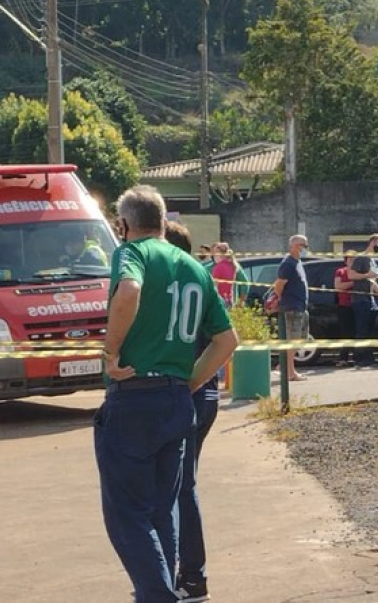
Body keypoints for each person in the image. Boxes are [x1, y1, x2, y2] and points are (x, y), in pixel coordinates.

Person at [96, 185, 238, 603]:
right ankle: (161, 589)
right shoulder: (195, 266)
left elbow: (129, 292)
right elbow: (227, 340)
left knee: (126, 513)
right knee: (163, 509)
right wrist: (189, 382)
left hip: (134, 396)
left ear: (123, 225)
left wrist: (111, 350)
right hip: (177, 399)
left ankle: (158, 595)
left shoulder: (131, 253)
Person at [162, 221, 220, 603]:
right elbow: (224, 337)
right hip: (203, 397)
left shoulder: (173, 286)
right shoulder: (201, 280)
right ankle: (178, 573)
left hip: (187, 396)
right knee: (180, 487)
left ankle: (191, 577)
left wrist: (189, 385)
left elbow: (226, 340)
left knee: (179, 489)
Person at [271, 234, 309, 381]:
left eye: (306, 245)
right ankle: (290, 372)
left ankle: (284, 367)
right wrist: (280, 298)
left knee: (299, 340)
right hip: (291, 307)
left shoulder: (297, 262)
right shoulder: (288, 264)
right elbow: (279, 285)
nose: (305, 248)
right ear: (293, 246)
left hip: (300, 306)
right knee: (292, 341)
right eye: (302, 245)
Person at [333, 252, 356, 365]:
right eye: (350, 259)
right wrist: (353, 282)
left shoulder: (359, 272)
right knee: (345, 332)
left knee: (357, 332)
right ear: (345, 261)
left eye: (354, 259)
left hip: (357, 306)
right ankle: (343, 358)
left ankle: (357, 357)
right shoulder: (340, 272)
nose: (352, 262)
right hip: (344, 306)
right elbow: (338, 286)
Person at [209, 242, 239, 306]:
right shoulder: (232, 266)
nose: (213, 257)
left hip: (220, 300)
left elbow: (214, 287)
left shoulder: (218, 267)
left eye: (214, 255)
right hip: (229, 299)